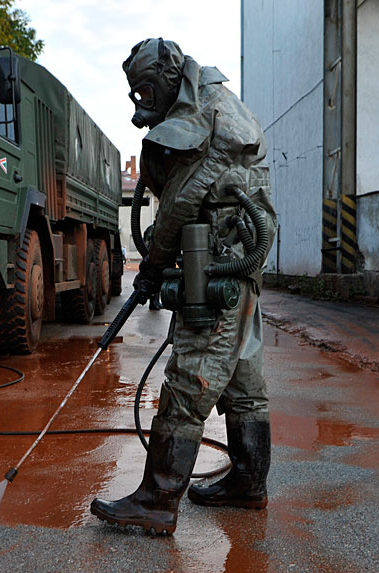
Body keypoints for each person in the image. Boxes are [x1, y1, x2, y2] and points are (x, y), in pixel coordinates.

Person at [90, 38, 277, 535]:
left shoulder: (203, 115)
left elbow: (181, 201)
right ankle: (247, 483)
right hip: (237, 258)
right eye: (136, 92)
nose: (140, 100)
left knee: (191, 374)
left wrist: (152, 265)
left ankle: (157, 500)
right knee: (241, 379)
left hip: (219, 263)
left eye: (146, 89)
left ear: (169, 77)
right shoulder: (212, 101)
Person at [142, 224, 163, 310]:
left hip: (153, 256)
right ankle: (153, 303)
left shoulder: (152, 228)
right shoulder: (152, 229)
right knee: (154, 279)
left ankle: (156, 301)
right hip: (152, 257)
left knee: (157, 279)